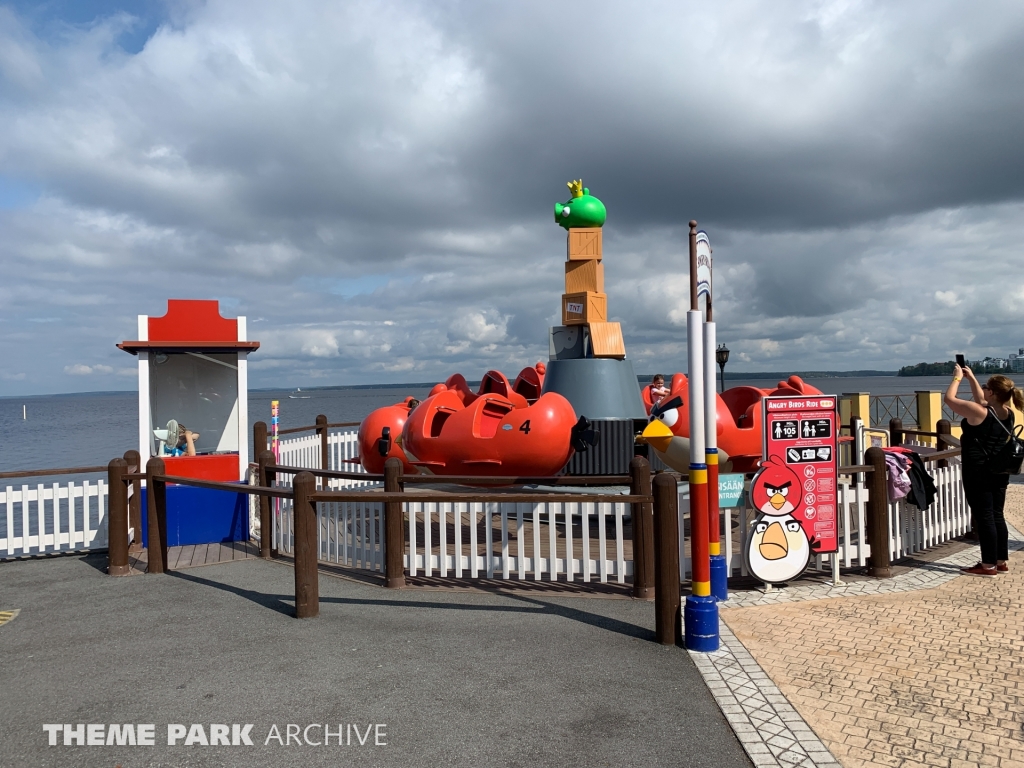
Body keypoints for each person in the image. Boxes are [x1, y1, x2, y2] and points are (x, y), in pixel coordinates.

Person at [943, 366, 1024, 576]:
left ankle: (988, 565)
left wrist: (957, 378)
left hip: (978, 471)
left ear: (993, 393)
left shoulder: (979, 411)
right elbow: (982, 401)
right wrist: (973, 379)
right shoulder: (1008, 413)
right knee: (997, 514)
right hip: (1000, 469)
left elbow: (949, 400)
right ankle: (1000, 560)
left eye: (987, 387)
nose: (984, 389)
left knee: (985, 516)